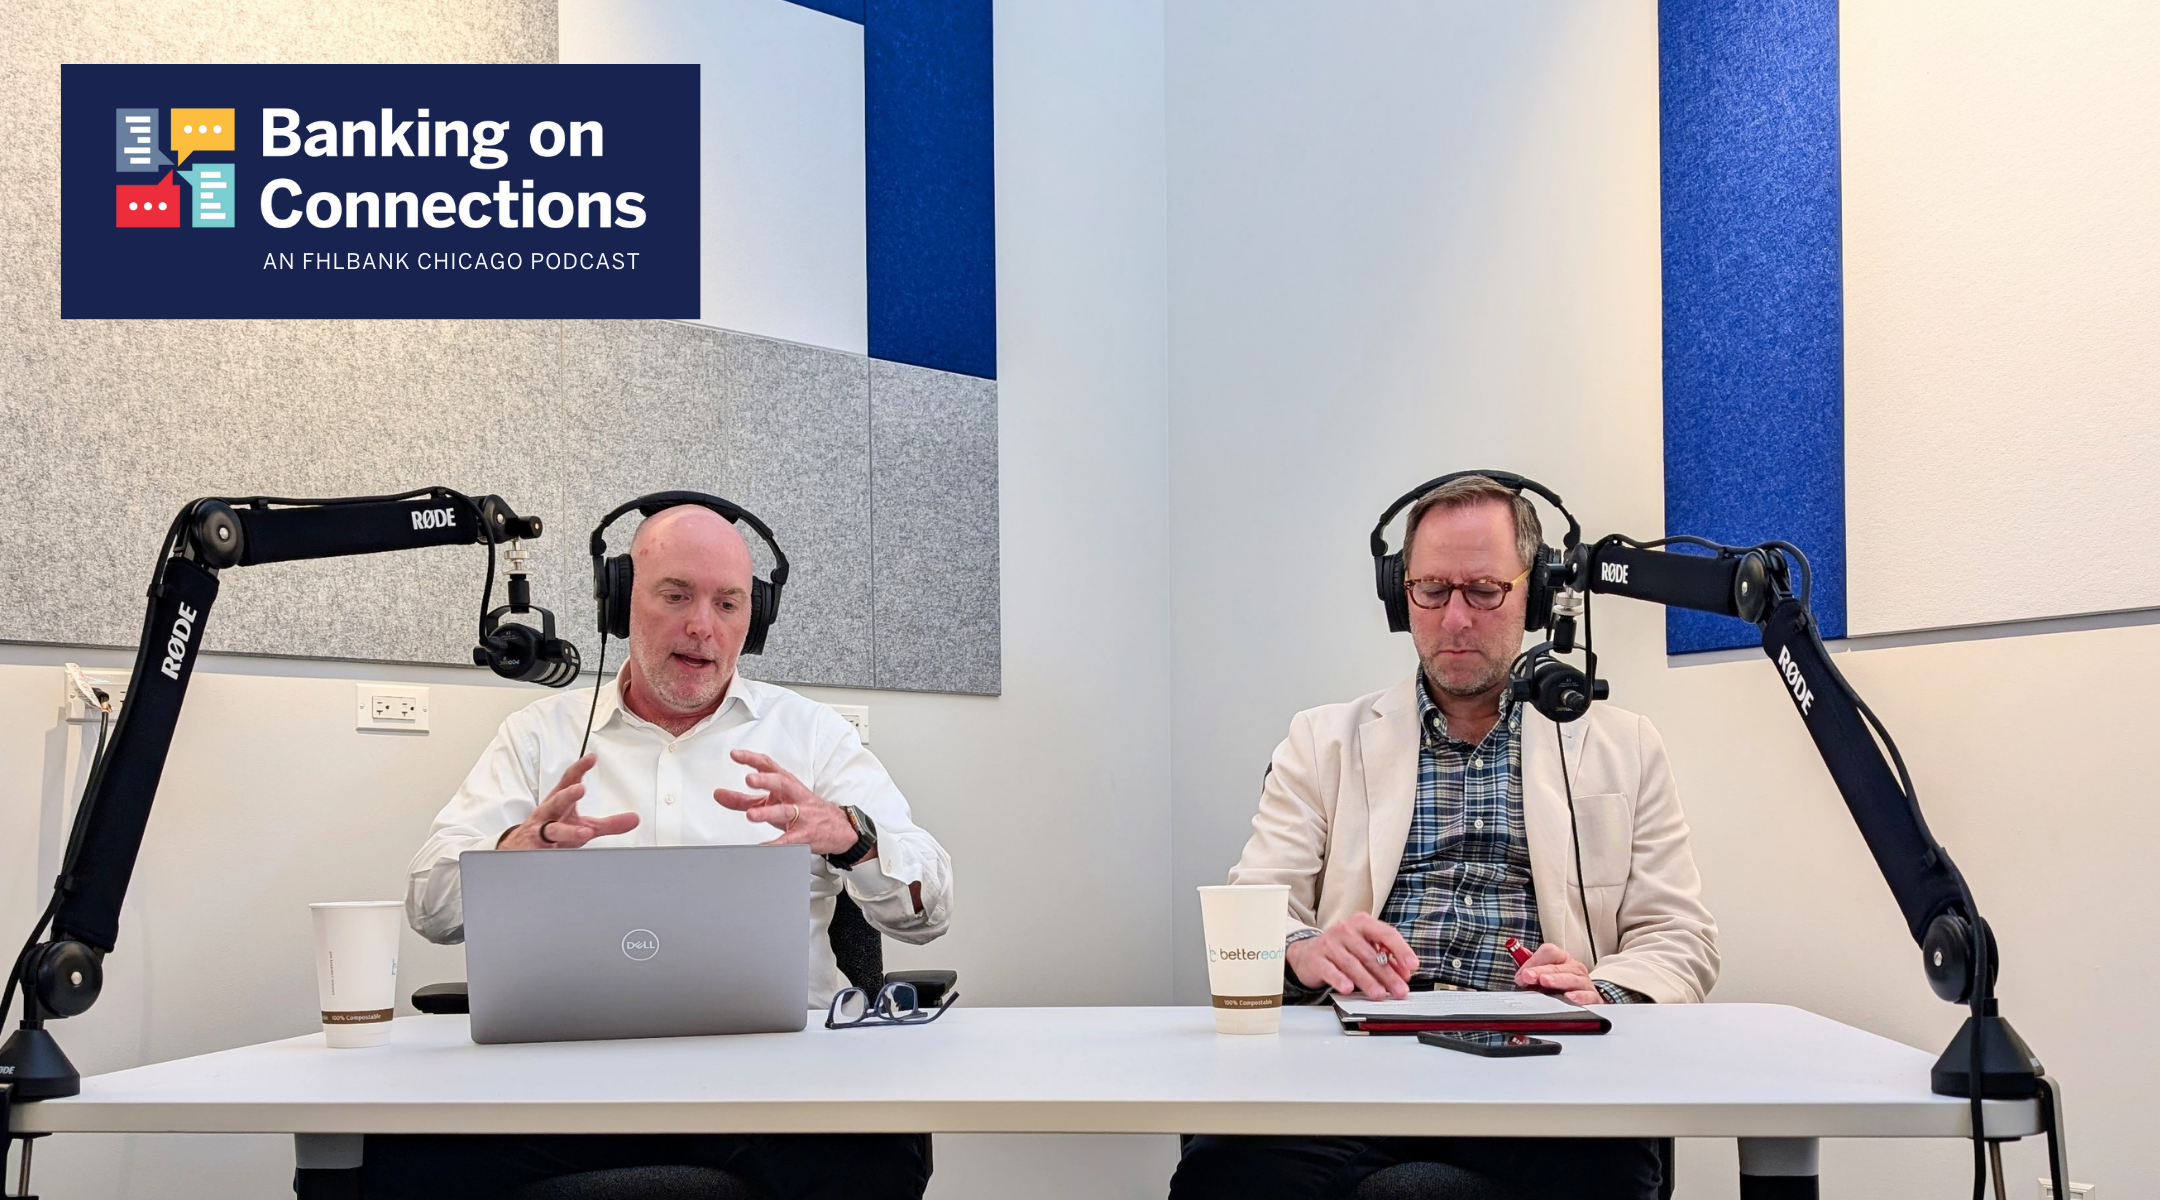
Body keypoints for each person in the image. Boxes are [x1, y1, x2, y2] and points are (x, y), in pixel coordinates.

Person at [375, 501, 952, 1200]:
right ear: (620, 601)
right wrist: (510, 851)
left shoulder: (813, 736)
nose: (702, 626)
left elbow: (930, 909)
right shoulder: (538, 737)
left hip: (777, 1086)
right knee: (394, 1163)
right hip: (570, 1083)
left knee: (878, 1160)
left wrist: (853, 838)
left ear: (755, 618)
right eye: (675, 595)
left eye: (728, 603)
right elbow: (428, 906)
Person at [1171, 474, 1717, 1200]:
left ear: (1537, 595)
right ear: (1402, 597)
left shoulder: (1625, 746)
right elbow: (1255, 911)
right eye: (1432, 590)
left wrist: (1602, 989)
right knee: (1220, 1179)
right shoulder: (1321, 741)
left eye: (1484, 591)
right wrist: (1304, 948)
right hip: (1353, 1068)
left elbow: (1680, 938)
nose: (1456, 619)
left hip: (1544, 1072)